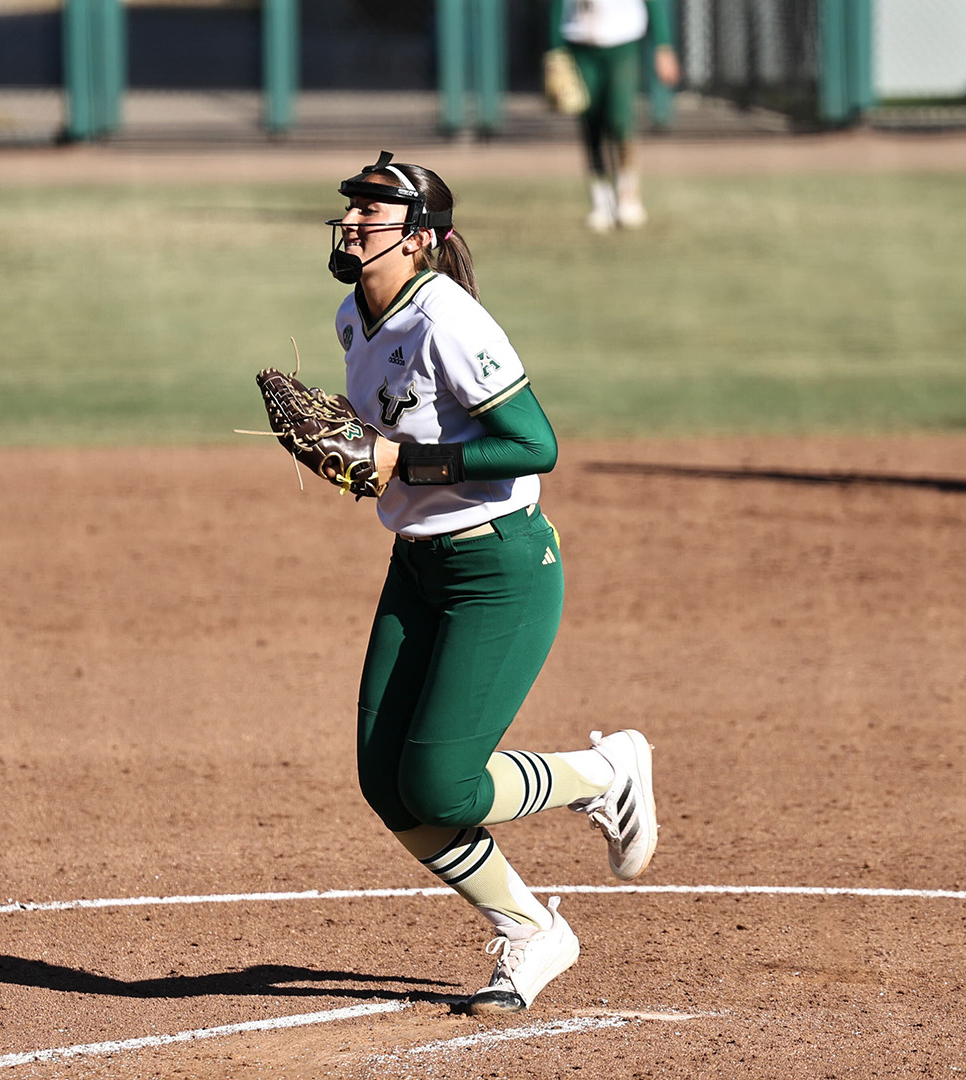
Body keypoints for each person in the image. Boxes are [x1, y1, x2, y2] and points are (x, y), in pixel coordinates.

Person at [322, 152, 660, 1014]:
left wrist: (404, 462)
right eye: (351, 208)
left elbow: (535, 445)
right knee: (385, 781)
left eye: (373, 212)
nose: (353, 221)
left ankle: (604, 774)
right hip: (416, 568)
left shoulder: (450, 321)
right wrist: (351, 449)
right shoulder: (353, 318)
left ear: (419, 238)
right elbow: (385, 432)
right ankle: (531, 929)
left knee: (442, 786)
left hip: (499, 569)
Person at [545, 0, 681, 231]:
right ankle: (601, 199)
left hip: (622, 39)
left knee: (620, 119)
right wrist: (555, 49)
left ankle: (628, 193)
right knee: (591, 122)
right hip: (580, 40)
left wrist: (663, 44)